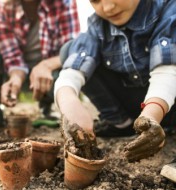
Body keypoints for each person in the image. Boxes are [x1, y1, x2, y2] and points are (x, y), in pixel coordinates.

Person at [55, 0, 176, 162]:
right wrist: (68, 101)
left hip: (167, 104)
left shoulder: (167, 8)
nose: (107, 8)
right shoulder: (97, 25)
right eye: (95, 1)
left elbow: (167, 71)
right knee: (69, 50)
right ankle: (121, 124)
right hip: (136, 107)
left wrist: (151, 116)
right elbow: (74, 69)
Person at [0, 0, 80, 128]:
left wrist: (46, 66)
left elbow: (72, 50)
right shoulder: (3, 8)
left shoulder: (64, 3)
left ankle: (46, 106)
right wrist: (16, 77)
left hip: (51, 74)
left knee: (69, 68)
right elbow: (12, 57)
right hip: (17, 74)